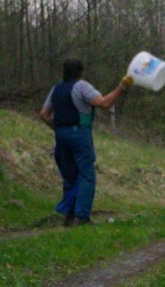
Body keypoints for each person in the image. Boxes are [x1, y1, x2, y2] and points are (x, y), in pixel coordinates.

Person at [39, 58, 133, 226]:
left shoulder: (56, 89)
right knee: (86, 175)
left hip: (60, 136)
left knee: (70, 177)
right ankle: (82, 217)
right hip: (79, 134)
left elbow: (44, 114)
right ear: (80, 72)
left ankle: (69, 216)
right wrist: (122, 86)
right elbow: (104, 103)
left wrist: (59, 129)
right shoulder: (82, 86)